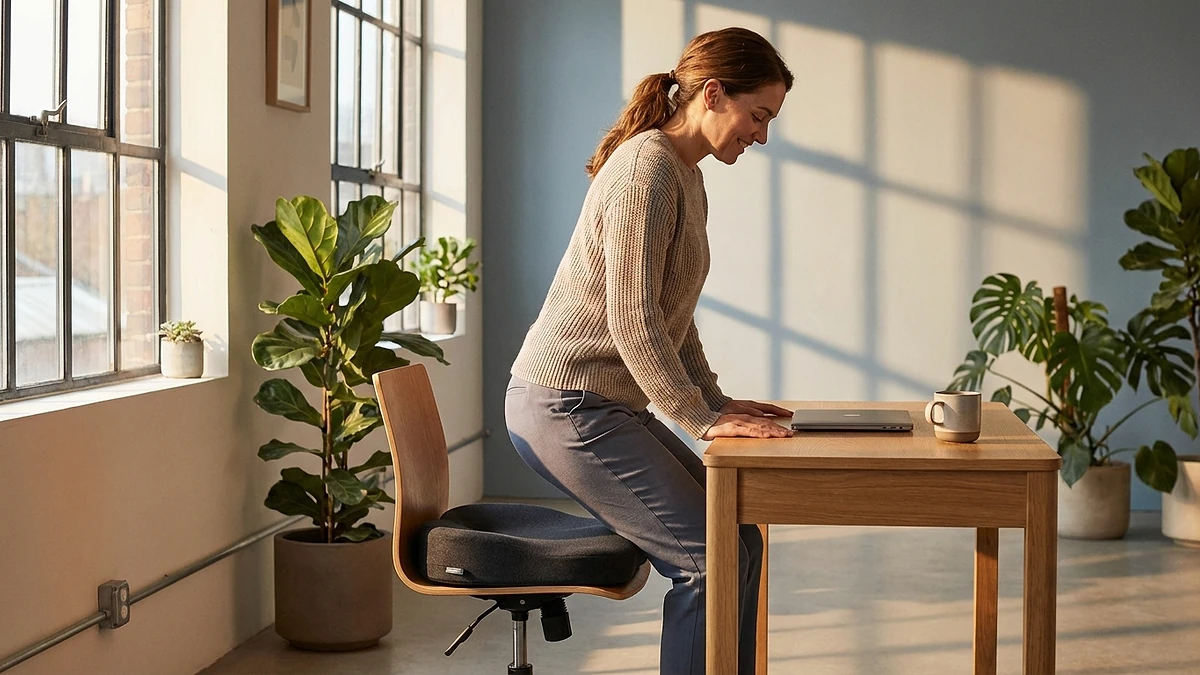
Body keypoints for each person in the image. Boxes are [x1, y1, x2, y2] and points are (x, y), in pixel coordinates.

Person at [504, 26, 794, 675]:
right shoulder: (647, 171)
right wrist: (701, 419)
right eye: (758, 115)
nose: (762, 135)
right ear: (714, 94)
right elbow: (632, 320)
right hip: (566, 407)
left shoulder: (685, 174)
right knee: (707, 558)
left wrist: (715, 400)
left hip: (603, 408)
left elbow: (673, 315)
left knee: (737, 539)